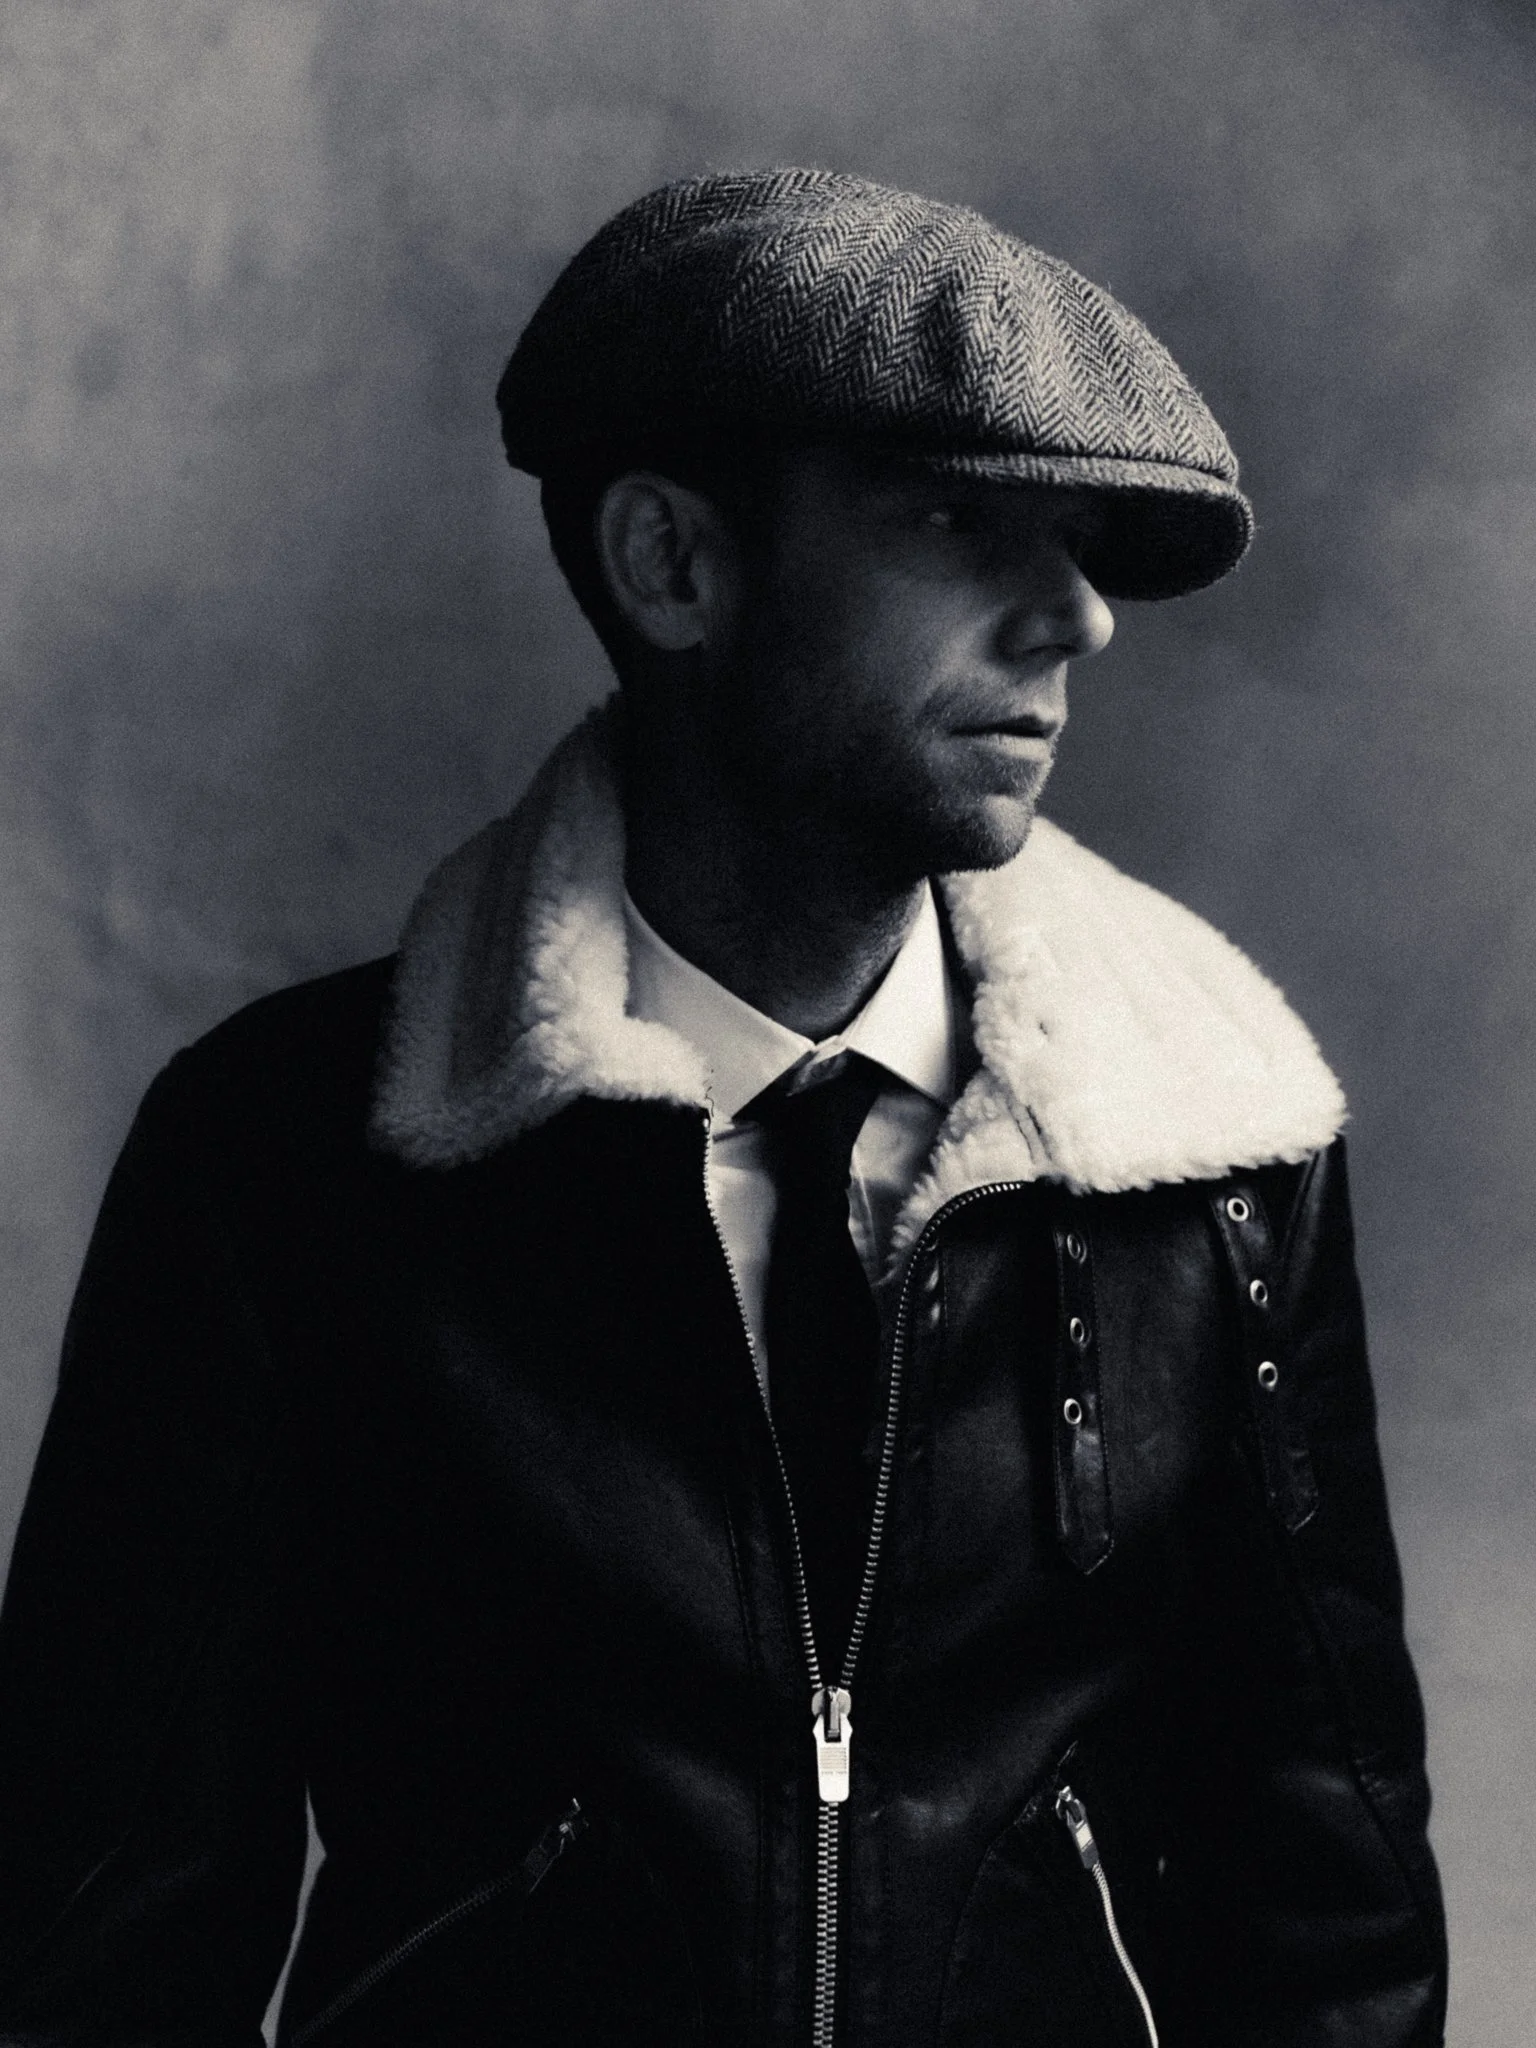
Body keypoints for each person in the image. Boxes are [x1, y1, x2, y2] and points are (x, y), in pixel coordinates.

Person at [0, 167, 1447, 2047]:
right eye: (953, 519)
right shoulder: (283, 1161)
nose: (1078, 615)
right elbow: (95, 1937)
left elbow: (1330, 1912)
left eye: (1080, 538)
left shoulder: (1221, 1152)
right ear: (673, 564)